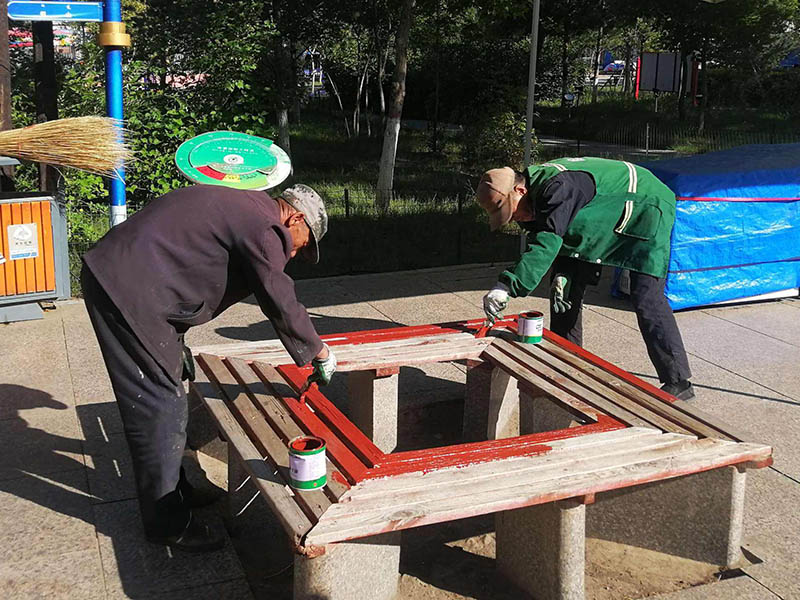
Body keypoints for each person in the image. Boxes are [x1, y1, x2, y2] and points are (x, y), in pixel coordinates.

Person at [81, 183, 337, 552]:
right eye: (303, 242)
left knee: (167, 395)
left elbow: (182, 258)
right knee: (160, 406)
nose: (296, 251)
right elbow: (279, 297)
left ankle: (176, 490)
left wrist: (177, 336)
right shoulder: (266, 227)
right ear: (294, 217)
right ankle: (168, 522)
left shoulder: (248, 207)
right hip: (127, 291)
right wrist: (319, 351)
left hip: (130, 283)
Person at [476, 157, 694, 401]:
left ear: (520, 190)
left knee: (646, 296)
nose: (514, 219)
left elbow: (546, 241)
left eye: (511, 211)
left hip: (647, 206)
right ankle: (567, 367)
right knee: (563, 291)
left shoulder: (558, 188)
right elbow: (550, 234)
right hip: (603, 213)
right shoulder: (537, 192)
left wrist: (506, 285)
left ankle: (678, 381)